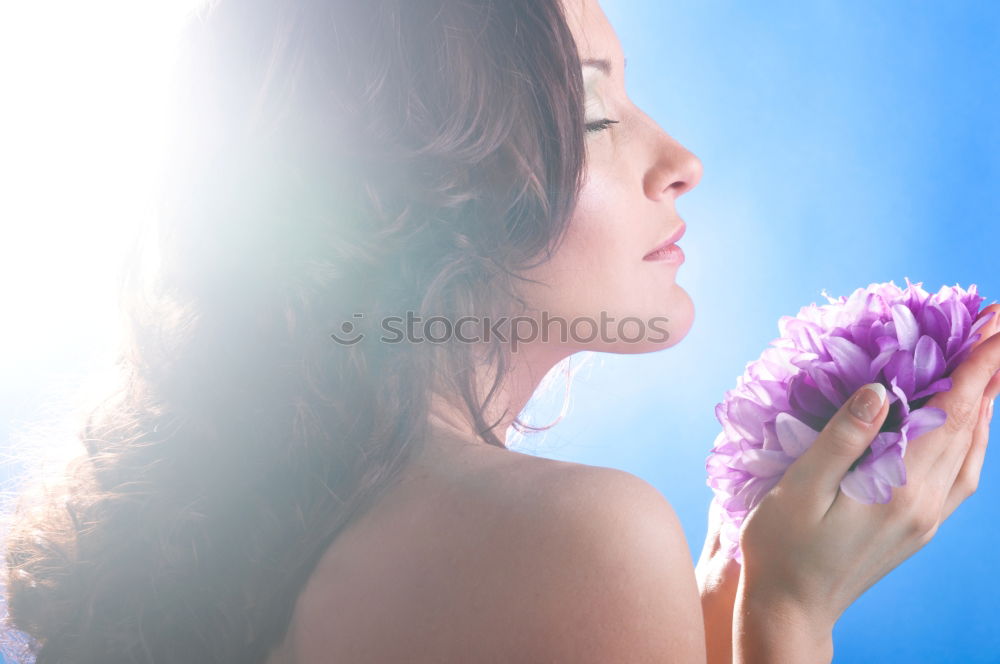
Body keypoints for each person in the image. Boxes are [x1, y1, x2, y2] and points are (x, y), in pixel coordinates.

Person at [3, 0, 1000, 662]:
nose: (680, 159)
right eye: (593, 111)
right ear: (423, 182)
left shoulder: (269, 512)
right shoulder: (575, 538)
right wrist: (789, 617)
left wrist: (714, 600)